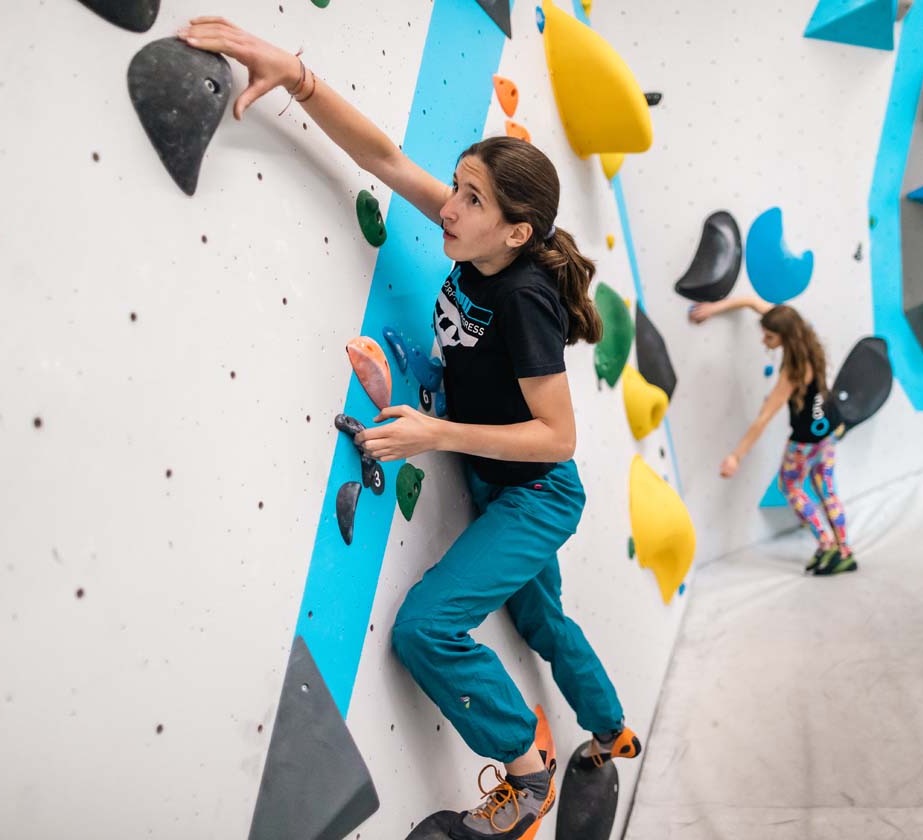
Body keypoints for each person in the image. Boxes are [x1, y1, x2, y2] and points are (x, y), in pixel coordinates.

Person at [176, 18, 640, 838]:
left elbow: (557, 439)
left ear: (517, 231)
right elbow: (383, 159)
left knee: (427, 627)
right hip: (502, 486)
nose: (449, 208)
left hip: (535, 495)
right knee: (542, 620)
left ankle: (527, 780)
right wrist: (296, 76)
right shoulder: (481, 239)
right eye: (458, 188)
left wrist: (435, 433)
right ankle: (611, 730)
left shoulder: (524, 298)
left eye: (470, 200)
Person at [689, 294, 857, 575]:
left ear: (784, 337)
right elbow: (751, 302)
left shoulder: (793, 371)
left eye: (768, 337)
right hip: (827, 431)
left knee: (791, 487)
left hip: (804, 441)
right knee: (826, 489)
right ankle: (845, 550)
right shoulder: (801, 328)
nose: (763, 341)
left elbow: (764, 418)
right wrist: (715, 308)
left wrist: (736, 456)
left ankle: (827, 544)